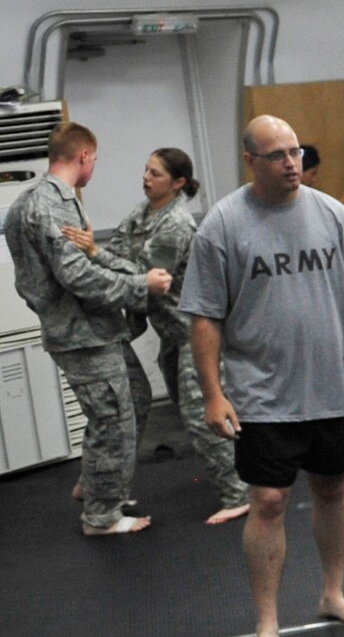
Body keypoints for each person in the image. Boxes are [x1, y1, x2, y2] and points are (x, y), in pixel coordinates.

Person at [179, 116, 344, 637]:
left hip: (331, 387)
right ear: (251, 160)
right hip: (261, 392)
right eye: (277, 155)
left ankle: (332, 594)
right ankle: (268, 626)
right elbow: (204, 317)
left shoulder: (333, 216)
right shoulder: (223, 225)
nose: (291, 163)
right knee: (269, 500)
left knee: (331, 489)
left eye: (295, 152)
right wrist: (212, 394)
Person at [2, 121, 172, 535]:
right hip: (83, 333)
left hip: (91, 328)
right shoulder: (52, 204)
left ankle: (101, 483)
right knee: (111, 417)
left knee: (132, 394)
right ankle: (102, 514)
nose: (93, 166)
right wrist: (139, 287)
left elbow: (40, 274)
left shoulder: (32, 203)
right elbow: (76, 276)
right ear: (83, 157)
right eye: (94, 160)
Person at [64, 148, 250, 524]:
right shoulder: (142, 213)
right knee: (189, 412)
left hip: (195, 334)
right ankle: (103, 484)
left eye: (156, 174)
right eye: (146, 170)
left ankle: (239, 493)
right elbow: (118, 250)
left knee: (202, 417)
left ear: (178, 182)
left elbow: (149, 278)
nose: (146, 178)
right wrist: (95, 254)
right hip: (171, 335)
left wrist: (95, 254)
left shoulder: (177, 223)